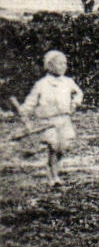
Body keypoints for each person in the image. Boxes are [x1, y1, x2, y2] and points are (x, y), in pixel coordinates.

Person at [14, 50, 83, 187]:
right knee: (53, 146)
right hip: (48, 121)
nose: (63, 66)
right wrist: (24, 110)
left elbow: (79, 93)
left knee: (62, 147)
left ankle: (54, 169)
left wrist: (74, 103)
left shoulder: (68, 82)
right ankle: (53, 177)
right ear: (50, 65)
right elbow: (32, 100)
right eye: (59, 63)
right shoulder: (42, 84)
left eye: (65, 64)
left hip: (64, 119)